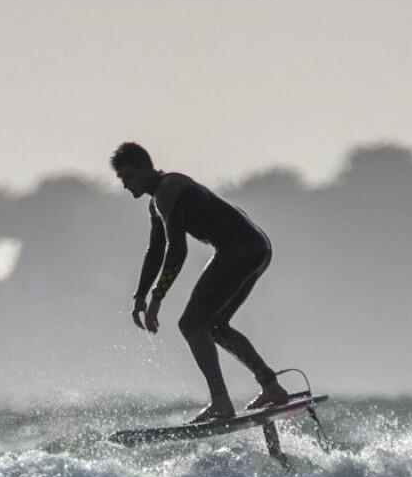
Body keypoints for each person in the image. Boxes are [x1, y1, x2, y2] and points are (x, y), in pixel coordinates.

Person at [111, 142, 289, 422]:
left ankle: (220, 402)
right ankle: (271, 386)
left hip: (239, 250)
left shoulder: (168, 189)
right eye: (121, 179)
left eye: (129, 176)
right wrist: (140, 296)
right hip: (256, 248)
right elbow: (156, 251)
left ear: (145, 168)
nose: (125, 184)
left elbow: (177, 250)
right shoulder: (157, 202)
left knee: (192, 324)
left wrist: (157, 297)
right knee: (215, 326)